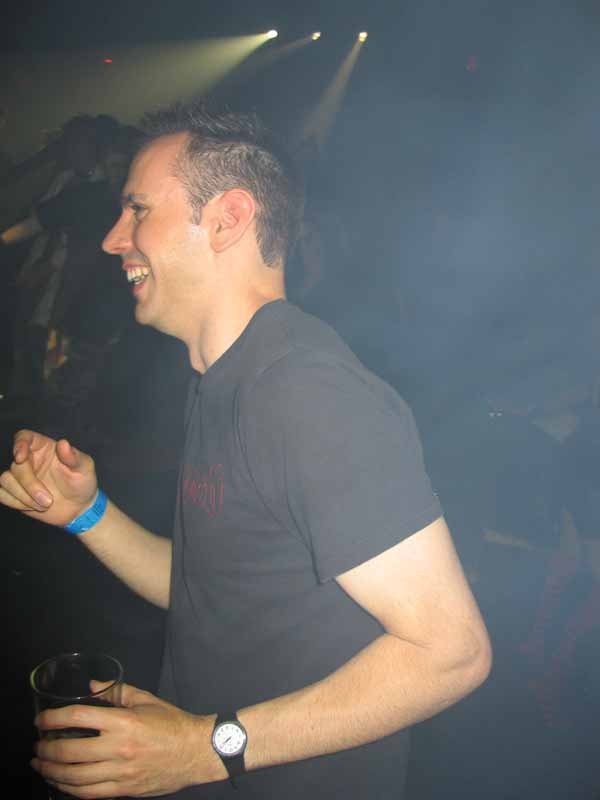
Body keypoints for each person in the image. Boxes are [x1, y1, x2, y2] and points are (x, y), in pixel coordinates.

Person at [0, 103, 491, 800]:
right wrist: (84, 511)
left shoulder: (306, 392)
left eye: (138, 210)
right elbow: (209, 587)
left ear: (227, 219)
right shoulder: (221, 380)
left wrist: (204, 748)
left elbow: (451, 652)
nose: (112, 240)